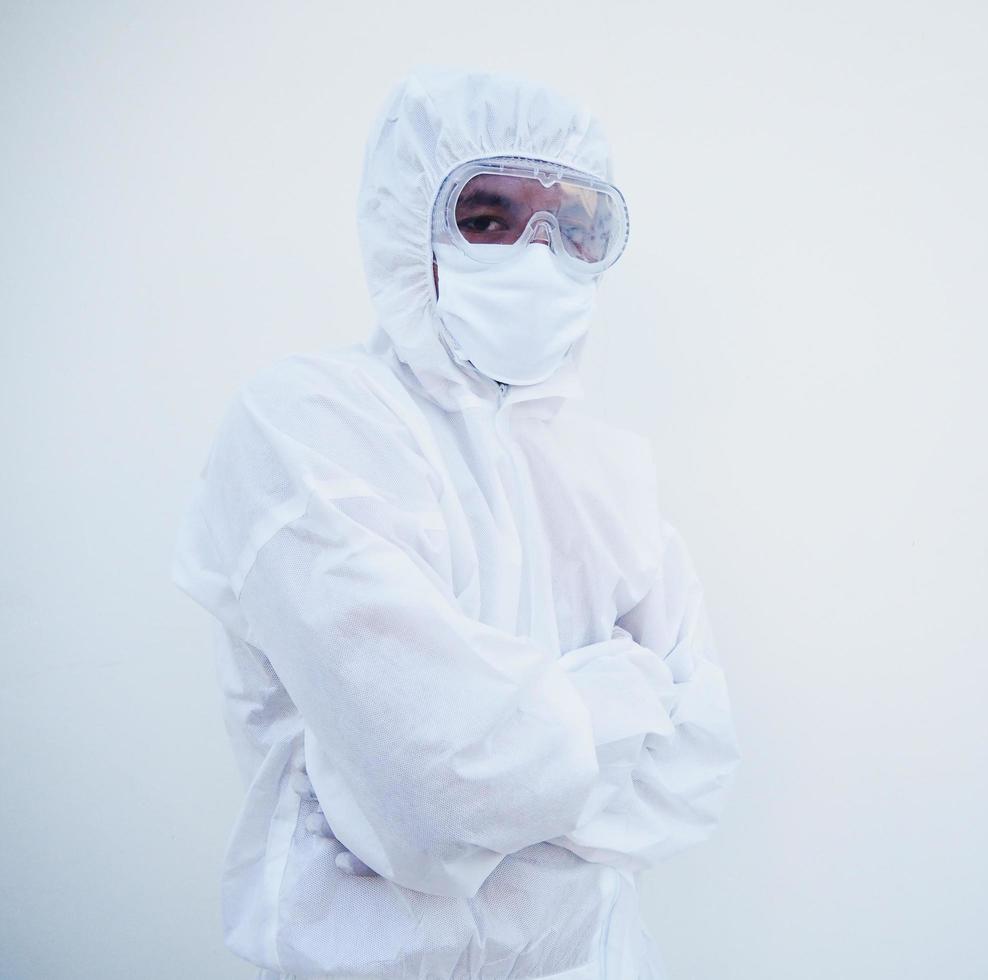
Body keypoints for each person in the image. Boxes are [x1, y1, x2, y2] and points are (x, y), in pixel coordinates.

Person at [170, 67, 742, 980]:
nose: (536, 258)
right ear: (409, 231)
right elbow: (441, 786)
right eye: (486, 219)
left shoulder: (609, 468)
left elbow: (697, 767)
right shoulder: (307, 426)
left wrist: (519, 758)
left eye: (572, 230)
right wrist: (619, 695)